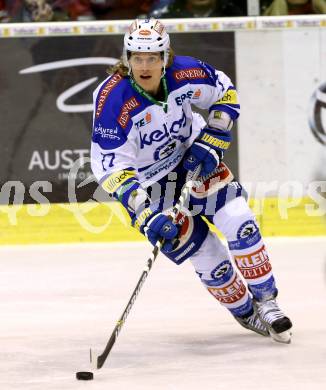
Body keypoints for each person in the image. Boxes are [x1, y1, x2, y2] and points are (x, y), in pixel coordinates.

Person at [90, 18, 293, 344]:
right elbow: (111, 168)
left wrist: (214, 135)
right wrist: (147, 215)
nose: (144, 66)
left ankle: (268, 301)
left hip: (194, 158)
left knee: (239, 220)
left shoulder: (185, 73)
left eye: (152, 57)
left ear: (165, 57)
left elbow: (224, 91)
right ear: (127, 58)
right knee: (206, 252)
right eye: (137, 57)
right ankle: (244, 311)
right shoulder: (112, 101)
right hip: (151, 186)